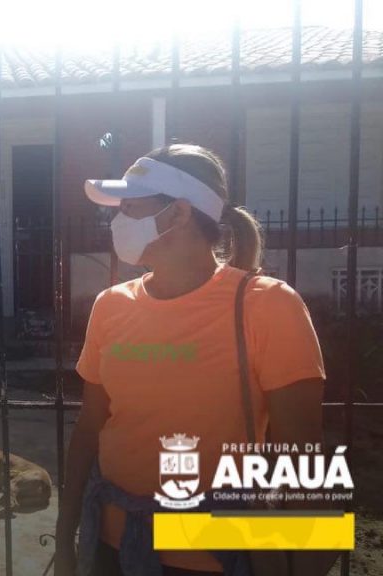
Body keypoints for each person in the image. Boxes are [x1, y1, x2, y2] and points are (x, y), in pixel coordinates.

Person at [54, 144, 327, 576]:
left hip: (216, 557)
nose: (116, 220)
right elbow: (89, 428)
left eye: (130, 207)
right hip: (113, 546)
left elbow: (304, 461)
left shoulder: (268, 305)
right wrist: (64, 537)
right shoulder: (110, 305)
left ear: (178, 213)